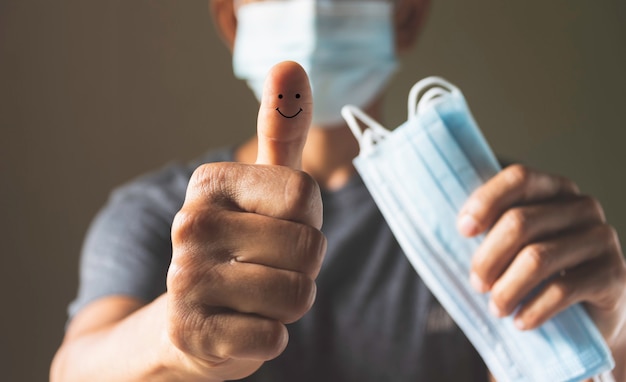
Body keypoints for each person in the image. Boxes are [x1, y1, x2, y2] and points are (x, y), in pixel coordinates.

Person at [51, 0, 626, 381]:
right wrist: (175, 339)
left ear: (405, 17)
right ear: (232, 19)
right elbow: (77, 365)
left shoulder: (494, 212)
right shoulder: (159, 215)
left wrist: (603, 337)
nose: (313, 7)